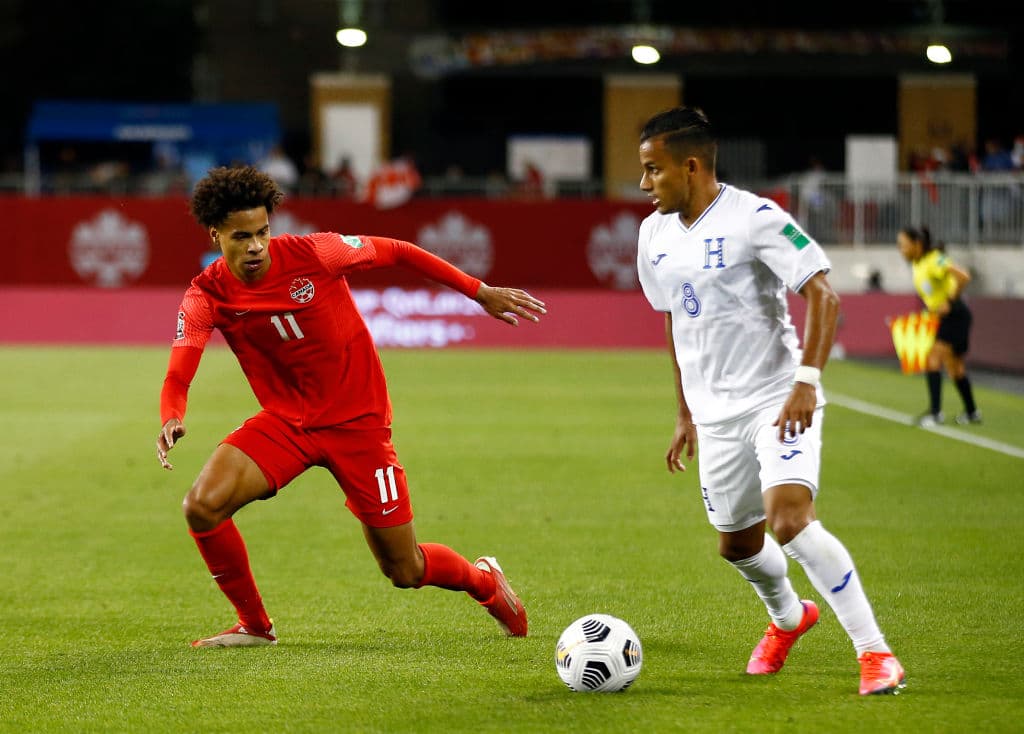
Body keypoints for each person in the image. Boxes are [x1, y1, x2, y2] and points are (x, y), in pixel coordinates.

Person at [156, 166, 545, 647]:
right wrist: (172, 415)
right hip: (287, 424)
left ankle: (485, 582)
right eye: (242, 237)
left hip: (357, 424)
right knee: (202, 506)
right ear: (216, 234)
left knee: (404, 569)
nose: (256, 246)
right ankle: (256, 627)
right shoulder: (206, 294)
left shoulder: (315, 253)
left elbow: (398, 251)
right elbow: (179, 370)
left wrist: (478, 291)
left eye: (262, 232)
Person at [635, 106, 905, 696]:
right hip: (714, 413)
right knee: (736, 543)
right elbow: (673, 321)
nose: (644, 183)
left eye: (653, 170)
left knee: (789, 519)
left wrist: (806, 380)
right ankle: (789, 617)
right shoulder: (651, 235)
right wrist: (684, 412)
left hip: (777, 399)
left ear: (690, 165)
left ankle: (875, 653)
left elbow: (824, 296)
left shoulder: (756, 218)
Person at [897, 226, 980, 425]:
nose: (901, 250)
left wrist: (950, 302)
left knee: (933, 359)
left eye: (903, 245)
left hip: (956, 314)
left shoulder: (934, 259)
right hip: (947, 317)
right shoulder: (918, 263)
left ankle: (935, 413)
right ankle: (972, 412)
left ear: (917, 244)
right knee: (955, 369)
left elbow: (964, 276)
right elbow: (934, 296)